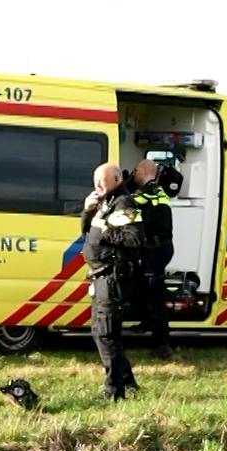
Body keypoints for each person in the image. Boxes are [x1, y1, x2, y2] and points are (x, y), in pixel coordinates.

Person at [82, 162, 140, 401]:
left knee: (107, 334)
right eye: (95, 181)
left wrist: (105, 230)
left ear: (116, 179)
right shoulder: (104, 202)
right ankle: (128, 382)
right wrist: (87, 211)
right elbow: (87, 233)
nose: (97, 185)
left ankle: (114, 391)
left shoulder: (125, 203)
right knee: (99, 332)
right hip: (99, 276)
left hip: (112, 276)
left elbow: (134, 238)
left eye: (102, 180)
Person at [126, 157, 176, 358]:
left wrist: (123, 185)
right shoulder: (154, 191)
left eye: (136, 170)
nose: (134, 173)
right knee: (138, 290)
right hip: (154, 248)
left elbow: (131, 203)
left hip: (155, 251)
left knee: (155, 297)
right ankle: (146, 321)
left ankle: (162, 345)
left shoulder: (150, 193)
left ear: (145, 171)